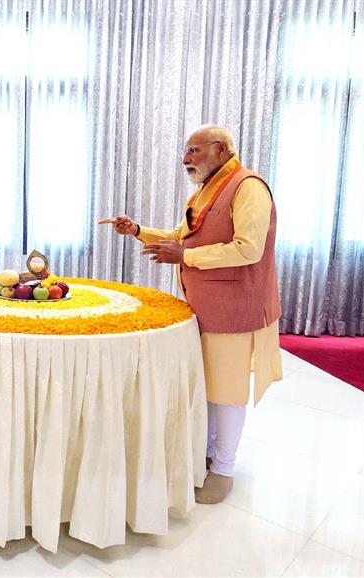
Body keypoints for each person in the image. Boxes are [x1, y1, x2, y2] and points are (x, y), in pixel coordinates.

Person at [99, 125, 282, 504]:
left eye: (194, 151)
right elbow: (180, 237)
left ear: (222, 148)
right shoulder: (207, 190)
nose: (186, 159)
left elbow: (248, 248)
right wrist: (137, 230)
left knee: (227, 392)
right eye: (186, 151)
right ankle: (209, 454)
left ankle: (225, 470)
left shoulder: (249, 187)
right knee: (209, 386)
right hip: (203, 307)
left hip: (235, 309)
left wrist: (186, 256)